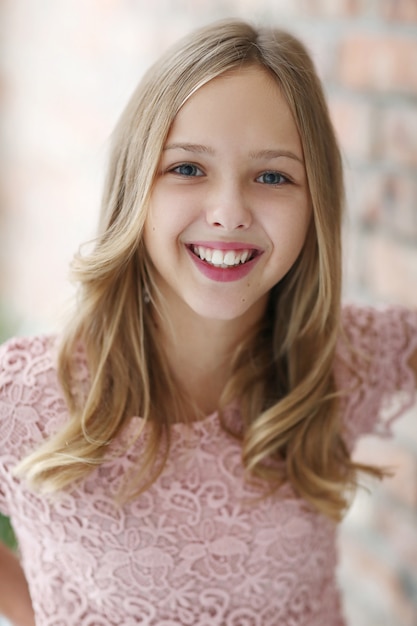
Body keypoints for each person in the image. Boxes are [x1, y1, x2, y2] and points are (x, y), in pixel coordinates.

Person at [0, 18, 416, 626]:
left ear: (314, 204)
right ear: (135, 186)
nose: (228, 213)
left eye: (272, 176)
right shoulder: (28, 395)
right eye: (188, 169)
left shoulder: (340, 358)